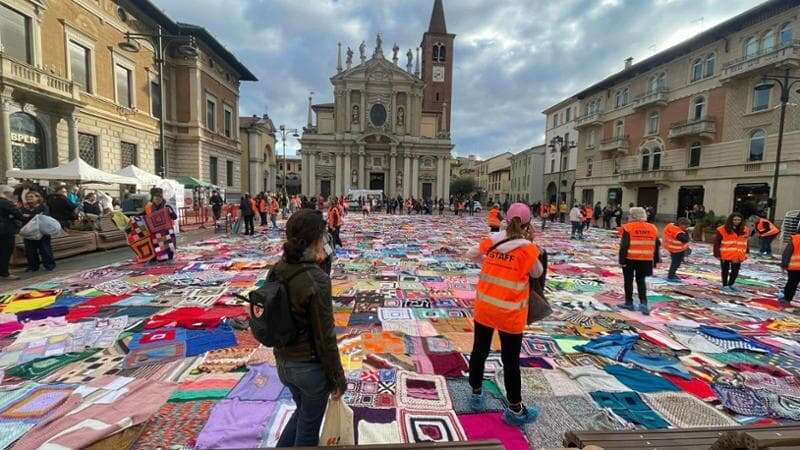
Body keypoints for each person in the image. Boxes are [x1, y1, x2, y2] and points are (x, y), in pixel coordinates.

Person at [269, 209, 346, 447]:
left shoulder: (277, 268)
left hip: (284, 363)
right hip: (309, 369)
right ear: (316, 238)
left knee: (303, 414)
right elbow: (325, 337)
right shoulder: (317, 279)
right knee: (308, 431)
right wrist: (337, 379)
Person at [466, 203, 543, 426]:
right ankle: (515, 409)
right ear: (528, 223)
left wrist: (489, 262)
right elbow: (537, 272)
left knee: (479, 351)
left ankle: (476, 394)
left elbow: (470, 253)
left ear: (506, 219)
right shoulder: (528, 248)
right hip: (510, 313)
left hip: (485, 308)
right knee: (510, 361)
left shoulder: (493, 240)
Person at [618, 207, 660, 315]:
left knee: (628, 281)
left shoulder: (628, 227)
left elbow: (624, 245)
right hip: (646, 259)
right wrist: (655, 260)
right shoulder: (652, 227)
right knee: (641, 281)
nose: (628, 217)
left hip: (630, 258)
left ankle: (629, 303)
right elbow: (657, 244)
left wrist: (621, 260)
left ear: (633, 216)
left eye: (629, 215)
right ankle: (643, 303)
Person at [20, 191, 56, 273]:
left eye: (31, 196)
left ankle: (49, 265)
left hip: (42, 231)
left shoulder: (43, 206)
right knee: (30, 250)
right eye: (27, 197)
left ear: (38, 197)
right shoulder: (25, 207)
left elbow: (43, 217)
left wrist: (29, 216)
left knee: (45, 249)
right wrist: (30, 216)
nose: (29, 198)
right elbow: (21, 216)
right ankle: (33, 266)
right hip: (28, 232)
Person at [714, 212, 750, 292]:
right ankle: (725, 285)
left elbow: (746, 241)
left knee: (735, 270)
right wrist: (716, 253)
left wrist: (747, 251)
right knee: (725, 270)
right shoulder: (722, 229)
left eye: (739, 220)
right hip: (725, 253)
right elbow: (717, 242)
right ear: (731, 220)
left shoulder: (745, 229)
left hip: (738, 253)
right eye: (735, 220)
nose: (737, 221)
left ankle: (731, 284)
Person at [0, 185, 23, 280]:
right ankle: (5, 273)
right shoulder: (4, 202)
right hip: (5, 230)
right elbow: (18, 214)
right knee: (5, 251)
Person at [778, 226, 800, 306]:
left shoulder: (796, 238)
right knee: (791, 284)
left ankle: (787, 299)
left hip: (794, 266)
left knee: (791, 284)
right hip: (795, 266)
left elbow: (787, 252)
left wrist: (784, 264)